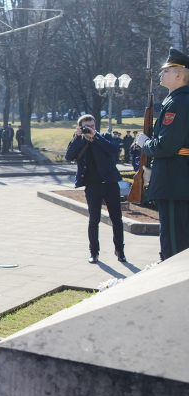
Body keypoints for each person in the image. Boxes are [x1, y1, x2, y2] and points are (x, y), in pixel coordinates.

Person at [136, 47, 189, 260]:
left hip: (173, 182)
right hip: (177, 179)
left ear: (179, 75)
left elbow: (167, 145)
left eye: (166, 71)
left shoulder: (178, 102)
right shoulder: (178, 100)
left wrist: (146, 144)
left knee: (174, 246)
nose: (161, 74)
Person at [65, 114, 125, 264]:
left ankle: (120, 250)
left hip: (110, 184)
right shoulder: (79, 142)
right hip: (92, 186)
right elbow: (69, 156)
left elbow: (113, 150)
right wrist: (78, 136)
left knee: (117, 219)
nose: (90, 129)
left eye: (92, 126)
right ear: (80, 127)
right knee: (94, 220)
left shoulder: (104, 137)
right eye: (87, 127)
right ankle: (94, 252)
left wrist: (96, 136)